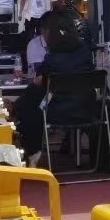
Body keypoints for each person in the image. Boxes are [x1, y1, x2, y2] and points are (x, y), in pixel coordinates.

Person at [12, 9, 96, 166]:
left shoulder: (52, 59)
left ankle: (30, 147)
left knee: (31, 104)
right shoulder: (85, 51)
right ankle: (16, 111)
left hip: (58, 112)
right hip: (88, 109)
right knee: (35, 97)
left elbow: (38, 80)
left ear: (48, 32)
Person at [17, 0, 58, 71]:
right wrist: (20, 14)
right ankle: (27, 64)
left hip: (44, 16)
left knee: (45, 40)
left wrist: (52, 15)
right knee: (28, 39)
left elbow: (53, 0)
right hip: (30, 16)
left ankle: (46, 62)